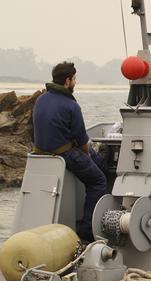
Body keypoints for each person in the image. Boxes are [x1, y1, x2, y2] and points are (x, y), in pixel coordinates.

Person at [32, 61, 107, 242]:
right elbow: (82, 140)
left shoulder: (41, 99)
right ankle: (87, 230)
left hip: (41, 151)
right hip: (64, 153)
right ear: (67, 81)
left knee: (99, 162)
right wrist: (88, 156)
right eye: (74, 79)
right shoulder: (71, 105)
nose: (75, 82)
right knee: (98, 180)